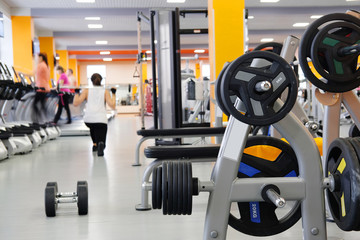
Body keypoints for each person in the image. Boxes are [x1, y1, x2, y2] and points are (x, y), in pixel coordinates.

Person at [73, 73, 116, 156]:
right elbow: (113, 106)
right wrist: (113, 93)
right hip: (101, 119)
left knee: (93, 126)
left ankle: (95, 144)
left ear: (91, 81)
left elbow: (76, 103)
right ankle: (101, 144)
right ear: (101, 81)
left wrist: (76, 92)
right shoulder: (105, 91)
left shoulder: (86, 90)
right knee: (101, 127)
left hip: (88, 120)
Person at [33, 52, 50, 123]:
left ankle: (38, 120)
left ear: (41, 58)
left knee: (35, 104)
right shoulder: (46, 65)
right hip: (44, 87)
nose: (37, 59)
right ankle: (44, 119)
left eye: (38, 58)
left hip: (41, 87)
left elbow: (33, 73)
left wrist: (21, 73)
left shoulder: (40, 65)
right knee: (42, 105)